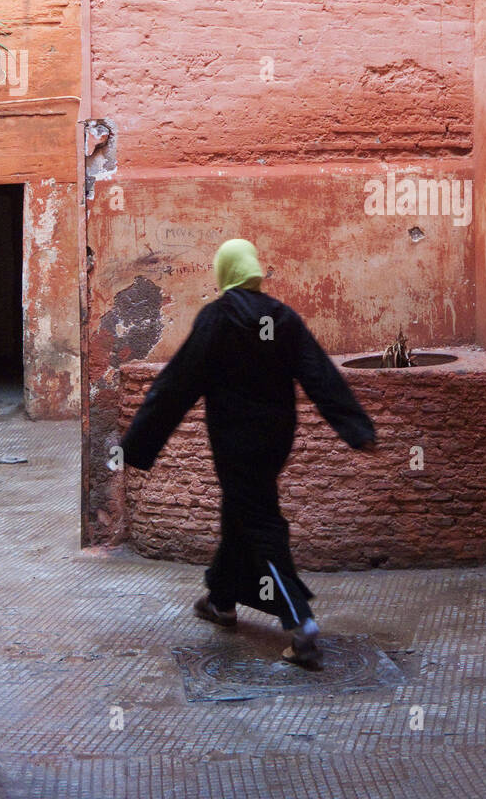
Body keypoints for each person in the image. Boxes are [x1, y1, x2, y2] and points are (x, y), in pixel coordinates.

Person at [119, 238, 377, 668]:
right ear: (254, 270)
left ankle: (300, 620)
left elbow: (176, 385)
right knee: (242, 512)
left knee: (259, 521)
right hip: (276, 441)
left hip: (234, 443)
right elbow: (320, 374)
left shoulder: (216, 320)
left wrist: (137, 443)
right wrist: (356, 428)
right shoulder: (282, 318)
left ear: (225, 272)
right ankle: (221, 599)